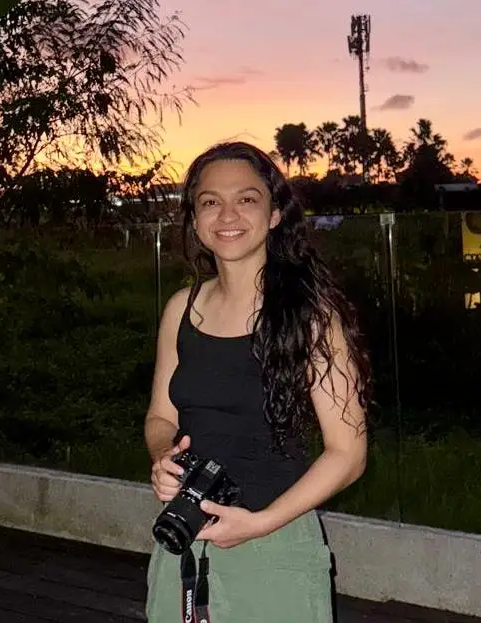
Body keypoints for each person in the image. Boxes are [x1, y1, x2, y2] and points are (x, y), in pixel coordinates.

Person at [143, 141, 371, 622]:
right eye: (210, 201)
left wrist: (260, 523)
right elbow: (161, 415)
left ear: (274, 215)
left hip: (274, 545)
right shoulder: (181, 308)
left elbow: (348, 455)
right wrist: (163, 454)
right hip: (183, 537)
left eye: (246, 198)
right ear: (195, 220)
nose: (227, 214)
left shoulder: (309, 317)